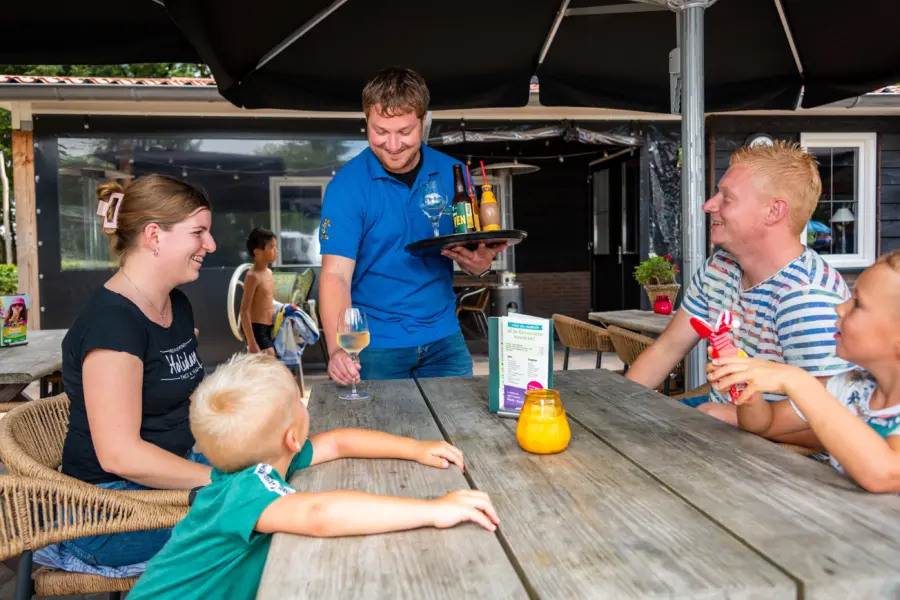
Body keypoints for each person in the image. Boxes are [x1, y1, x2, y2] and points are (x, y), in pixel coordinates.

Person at [127, 353, 500, 599]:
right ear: (293, 436)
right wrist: (433, 510)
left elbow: (338, 443)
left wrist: (415, 448)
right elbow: (319, 514)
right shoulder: (245, 490)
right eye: (299, 403)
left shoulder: (257, 467)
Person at [626, 141, 852, 447]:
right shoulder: (720, 267)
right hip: (721, 421)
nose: (709, 205)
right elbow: (666, 350)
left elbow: (843, 423)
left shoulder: (807, 297)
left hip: (784, 457)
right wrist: (616, 407)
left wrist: (738, 419)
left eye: (727, 198)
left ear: (774, 211)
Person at [57, 174, 216, 568]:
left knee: (283, 481)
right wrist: (221, 483)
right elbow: (120, 456)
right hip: (108, 509)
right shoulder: (113, 324)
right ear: (153, 236)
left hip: (169, 479)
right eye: (199, 232)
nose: (210, 245)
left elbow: (191, 395)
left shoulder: (176, 304)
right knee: (256, 523)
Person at [318, 67, 506, 385]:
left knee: (458, 431)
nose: (392, 145)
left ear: (423, 121)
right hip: (375, 346)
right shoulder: (347, 186)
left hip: (445, 340)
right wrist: (338, 348)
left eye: (404, 132)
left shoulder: (454, 173)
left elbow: (476, 256)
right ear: (366, 122)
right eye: (380, 131)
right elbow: (336, 275)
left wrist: (481, 264)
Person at [708, 250, 900, 493]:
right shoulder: (851, 387)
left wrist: (798, 381)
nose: (840, 307)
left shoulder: (827, 389)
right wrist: (747, 386)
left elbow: (884, 473)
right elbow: (763, 425)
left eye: (857, 303)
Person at [240, 227, 278, 356]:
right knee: (269, 360)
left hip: (270, 326)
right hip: (257, 328)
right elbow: (244, 311)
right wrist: (251, 342)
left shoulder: (269, 272)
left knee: (270, 364)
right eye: (271, 247)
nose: (276, 251)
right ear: (257, 252)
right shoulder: (252, 276)